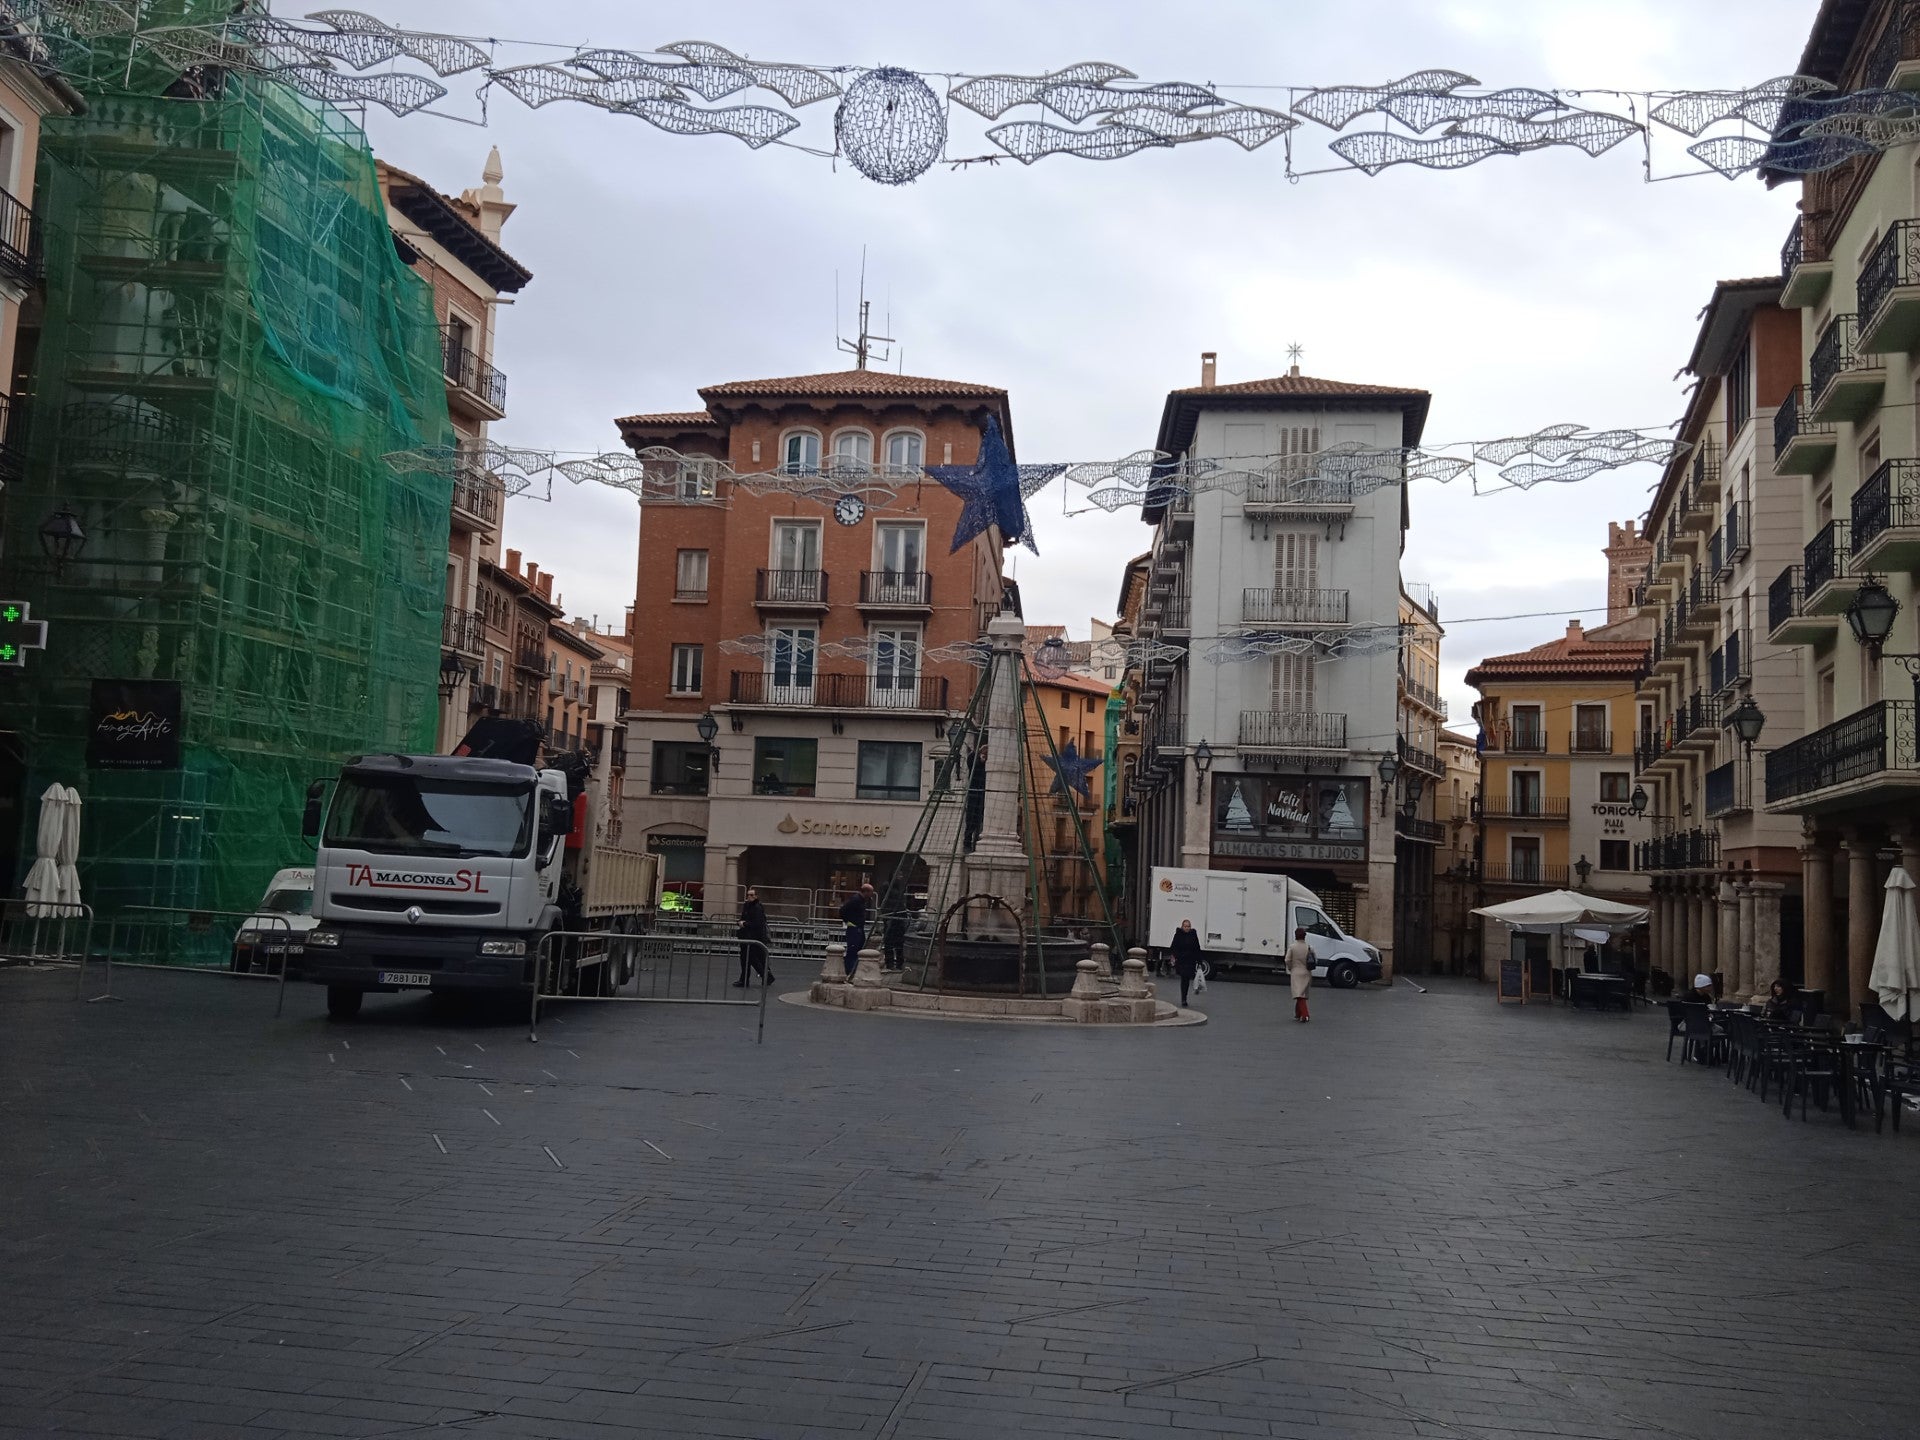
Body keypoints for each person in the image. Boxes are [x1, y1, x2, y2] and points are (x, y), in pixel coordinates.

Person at [733, 887, 773, 988]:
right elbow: (744, 918)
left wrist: (744, 923)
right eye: (748, 895)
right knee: (746, 959)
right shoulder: (747, 906)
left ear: (756, 896)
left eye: (751, 895)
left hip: (754, 937)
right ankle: (747, 979)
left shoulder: (757, 907)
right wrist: (740, 922)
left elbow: (757, 923)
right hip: (747, 936)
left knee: (751, 959)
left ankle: (765, 976)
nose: (749, 897)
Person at [1169, 918, 1203, 1009]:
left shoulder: (1193, 935)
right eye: (1185, 926)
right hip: (1181, 960)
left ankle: (1185, 996)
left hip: (1190, 960)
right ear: (1182, 926)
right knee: (1184, 978)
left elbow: (1197, 948)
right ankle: (1183, 998)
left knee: (1187, 979)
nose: (1187, 928)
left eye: (1188, 926)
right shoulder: (1178, 935)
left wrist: (1199, 961)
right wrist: (1177, 956)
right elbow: (1173, 947)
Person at [840, 883, 872, 977]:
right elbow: (843, 910)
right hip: (854, 928)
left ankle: (853, 970)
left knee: (858, 948)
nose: (871, 895)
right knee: (853, 950)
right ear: (865, 891)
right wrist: (848, 920)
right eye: (871, 892)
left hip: (858, 927)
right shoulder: (856, 900)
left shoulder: (861, 900)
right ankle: (849, 971)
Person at [1286, 927, 1313, 1023]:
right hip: (1306, 972)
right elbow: (1315, 959)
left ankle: (1305, 1015)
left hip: (1296, 972)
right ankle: (1298, 1013)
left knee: (1299, 995)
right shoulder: (1309, 947)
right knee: (1301, 993)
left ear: (1296, 935)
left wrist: (1290, 967)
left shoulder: (1292, 947)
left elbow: (1287, 959)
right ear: (1304, 936)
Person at [882, 894, 908, 972]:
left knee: (888, 946)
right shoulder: (900, 901)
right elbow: (904, 915)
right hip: (899, 927)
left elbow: (883, 912)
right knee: (899, 947)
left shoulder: (886, 900)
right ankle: (899, 964)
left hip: (890, 927)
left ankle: (890, 964)